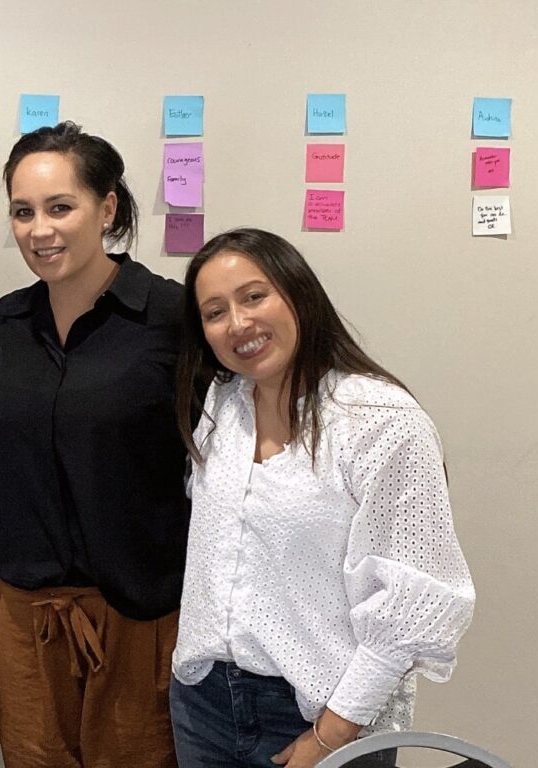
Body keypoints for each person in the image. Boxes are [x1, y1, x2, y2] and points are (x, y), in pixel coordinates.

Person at [169, 228, 476, 768]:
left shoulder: (379, 420)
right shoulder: (225, 405)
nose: (238, 323)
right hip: (204, 704)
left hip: (319, 713)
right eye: (214, 312)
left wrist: (330, 737)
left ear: (299, 294)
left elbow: (410, 607)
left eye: (254, 296)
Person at [0, 121, 189, 767]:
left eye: (60, 207)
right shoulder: (12, 320)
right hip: (29, 614)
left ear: (106, 208)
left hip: (137, 614)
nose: (39, 230)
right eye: (23, 212)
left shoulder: (171, 315)